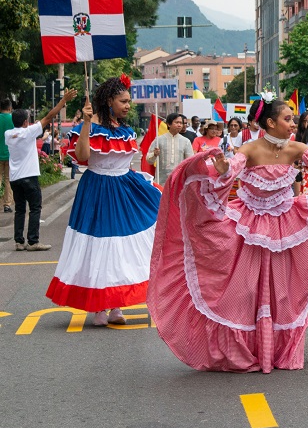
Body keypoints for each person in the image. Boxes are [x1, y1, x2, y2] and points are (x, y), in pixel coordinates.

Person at [147, 93, 308, 373]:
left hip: (286, 225)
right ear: (270, 122)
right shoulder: (249, 149)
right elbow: (231, 168)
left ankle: (278, 349)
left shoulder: (295, 147)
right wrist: (223, 168)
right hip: (249, 227)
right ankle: (242, 349)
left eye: (293, 118)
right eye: (287, 118)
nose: (293, 123)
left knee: (283, 290)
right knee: (243, 290)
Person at [46, 76, 162, 326]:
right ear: (109, 100)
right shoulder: (90, 126)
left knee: (122, 246)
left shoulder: (126, 130)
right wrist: (87, 123)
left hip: (124, 188)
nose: (128, 105)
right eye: (124, 101)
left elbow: (126, 162)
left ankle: (115, 304)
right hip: (98, 189)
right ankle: (99, 306)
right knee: (100, 246)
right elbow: (82, 155)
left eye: (129, 101)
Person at [6, 89, 78, 250]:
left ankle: (19, 241)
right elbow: (49, 116)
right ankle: (33, 241)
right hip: (29, 176)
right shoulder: (29, 132)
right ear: (25, 122)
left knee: (19, 209)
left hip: (15, 177)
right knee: (35, 208)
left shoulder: (8, 134)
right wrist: (63, 101)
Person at [147, 113, 194, 185]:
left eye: (181, 123)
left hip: (179, 179)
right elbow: (149, 160)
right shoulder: (159, 140)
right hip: (161, 180)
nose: (179, 125)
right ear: (169, 124)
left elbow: (190, 161)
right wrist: (154, 154)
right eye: (176, 122)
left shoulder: (186, 141)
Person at [0, 98, 13, 213]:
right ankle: (7, 204)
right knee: (8, 180)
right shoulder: (13, 119)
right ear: (10, 108)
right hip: (10, 154)